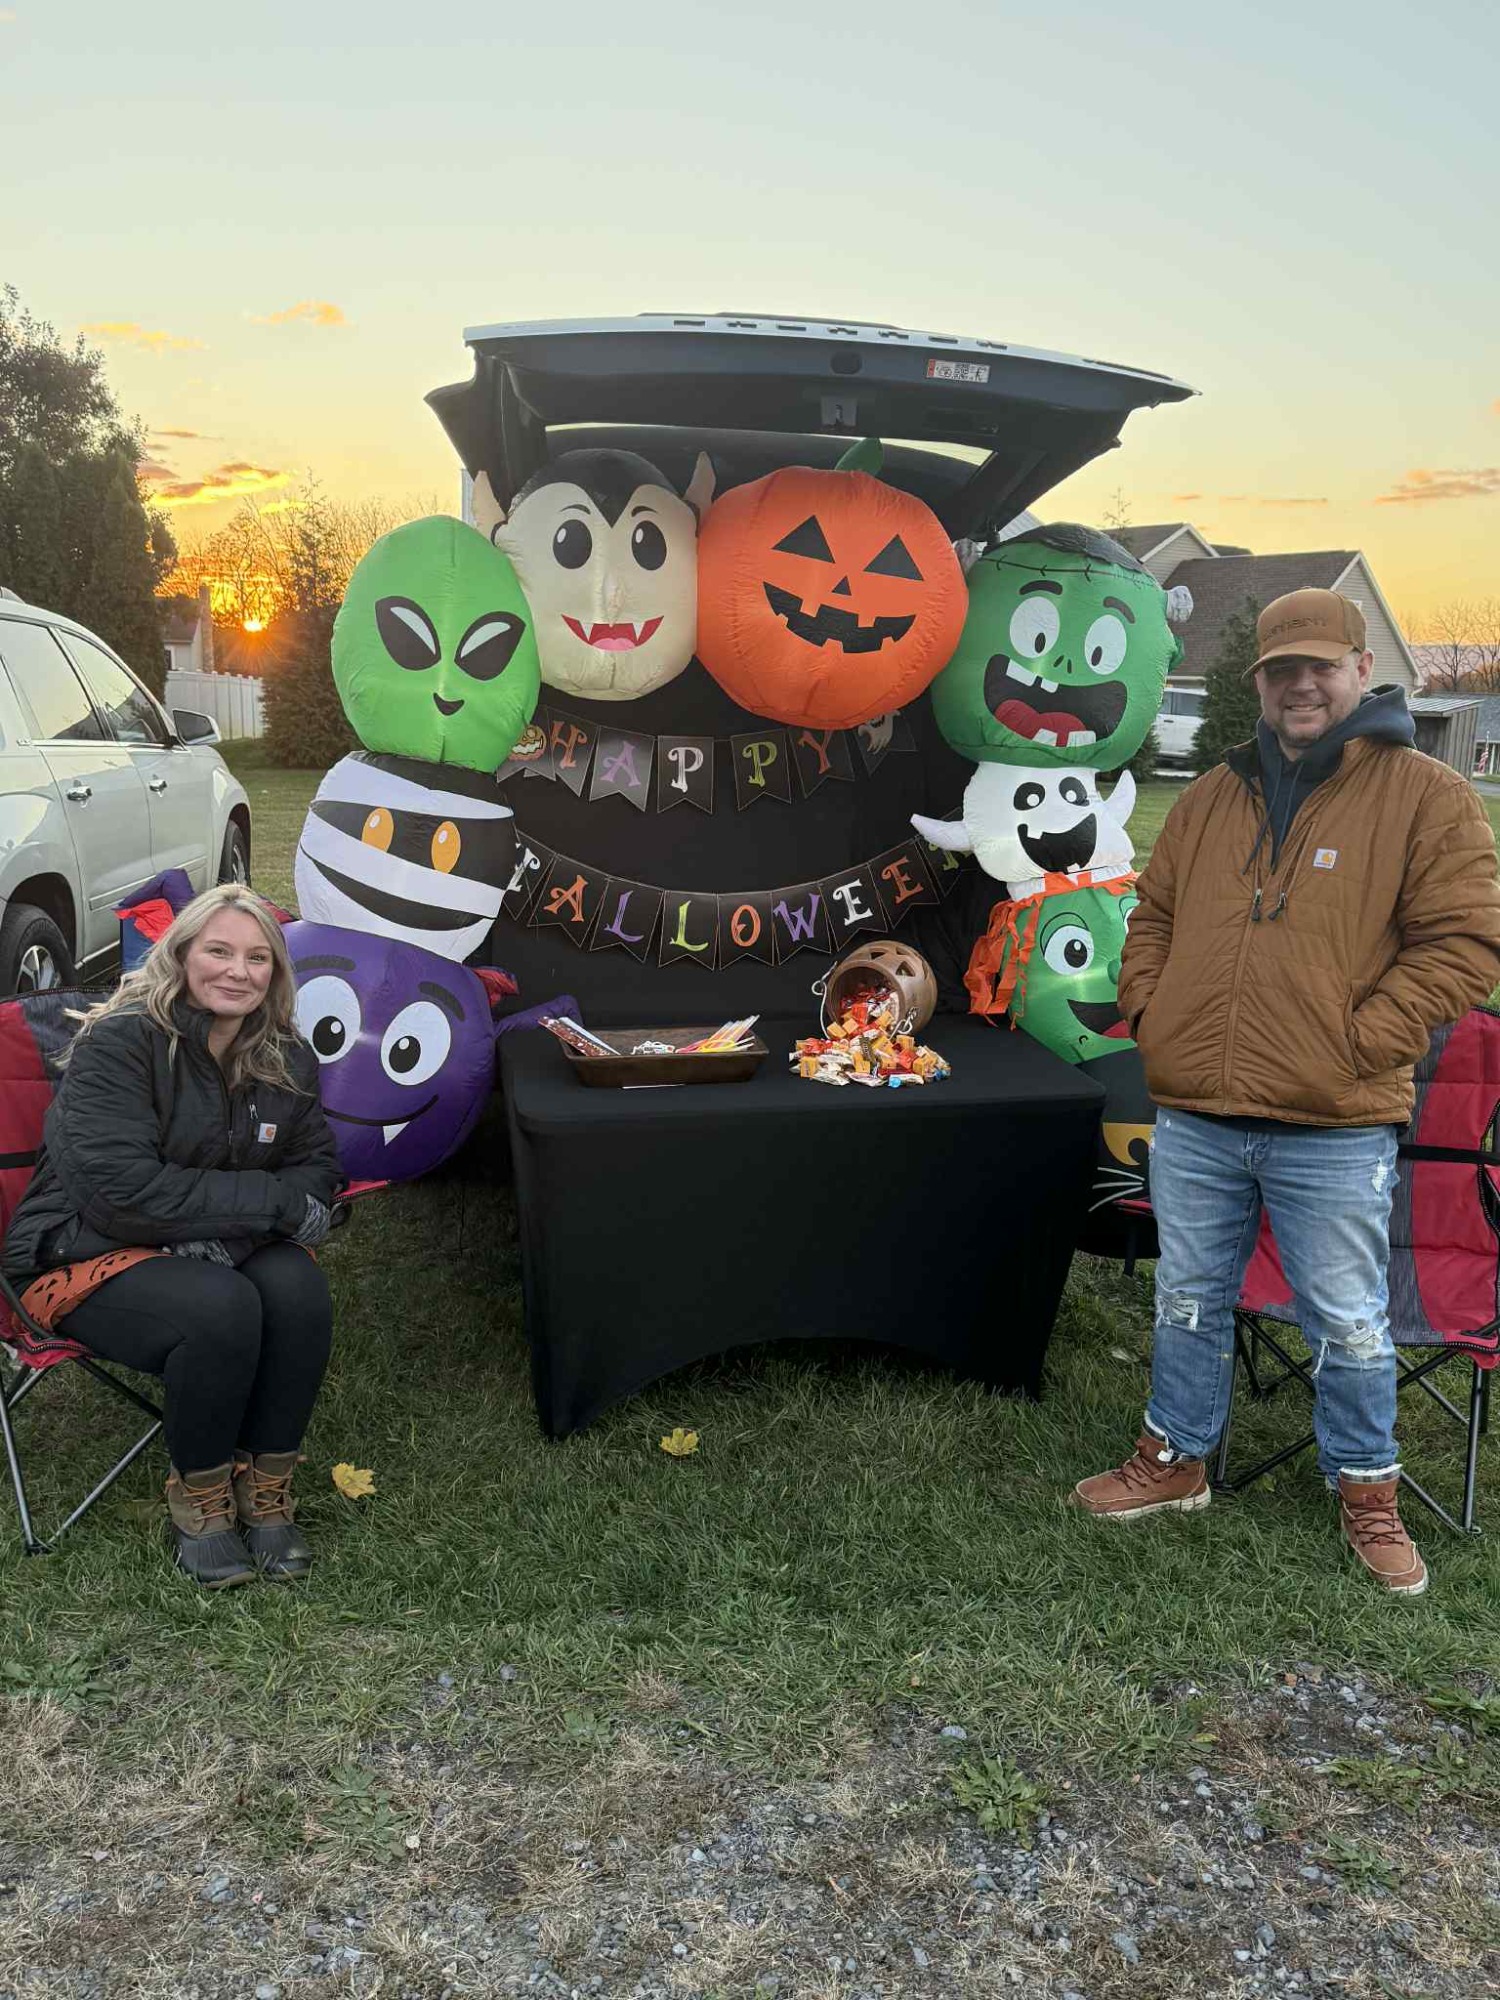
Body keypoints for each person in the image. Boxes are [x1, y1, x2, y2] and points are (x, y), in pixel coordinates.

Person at [1073, 588, 1500, 1594]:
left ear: (1361, 670)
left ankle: (1367, 1489)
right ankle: (1176, 1457)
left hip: (1333, 1120)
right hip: (1198, 1114)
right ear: (1260, 681)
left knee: (1348, 1316)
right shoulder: (1212, 796)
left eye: (1320, 666)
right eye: (1280, 670)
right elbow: (1153, 915)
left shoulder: (1427, 795)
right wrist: (1155, 1011)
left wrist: (1361, 1041)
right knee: (1187, 1296)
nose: (1300, 685)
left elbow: (1465, 943)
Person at [4, 883, 344, 1589]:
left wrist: (248, 1227)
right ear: (182, 954)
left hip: (216, 1243)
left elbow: (315, 1170)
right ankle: (202, 1501)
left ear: (276, 972)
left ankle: (267, 1489)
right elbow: (121, 1192)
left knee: (297, 1288)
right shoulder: (120, 1042)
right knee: (220, 1305)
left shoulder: (285, 1055)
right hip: (80, 1248)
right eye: (219, 950)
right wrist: (270, 1204)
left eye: (258, 957)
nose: (238, 971)